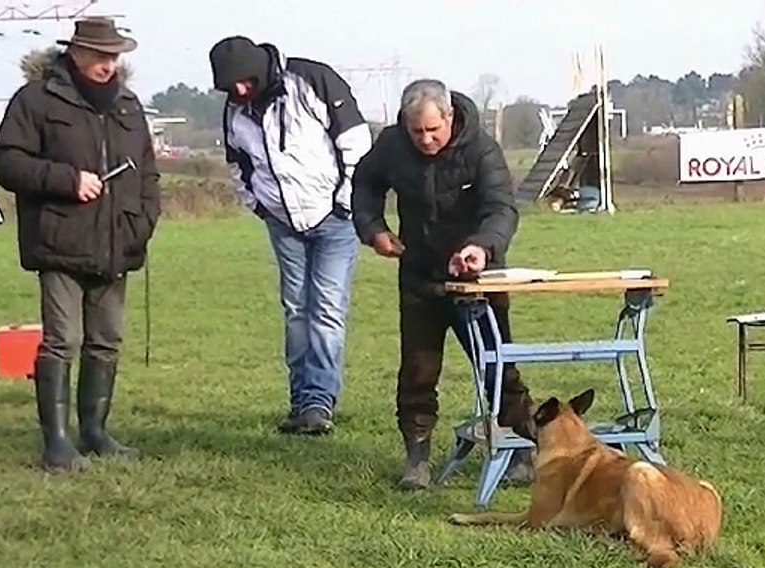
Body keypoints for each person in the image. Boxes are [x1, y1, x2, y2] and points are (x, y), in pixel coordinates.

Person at [0, 17, 160, 473]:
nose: (110, 65)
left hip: (116, 243)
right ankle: (57, 443)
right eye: (102, 56)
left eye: (115, 56)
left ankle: (95, 431)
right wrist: (67, 181)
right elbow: (5, 162)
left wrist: (143, 222)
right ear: (76, 53)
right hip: (60, 241)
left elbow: (147, 172)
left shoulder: (128, 104)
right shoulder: (36, 100)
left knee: (105, 342)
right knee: (63, 340)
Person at [351, 78, 534, 491]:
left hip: (477, 276)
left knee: (497, 365)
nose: (426, 139)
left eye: (433, 130)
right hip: (419, 274)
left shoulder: (482, 150)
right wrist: (373, 229)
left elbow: (501, 208)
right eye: (417, 131)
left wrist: (482, 247)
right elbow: (364, 185)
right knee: (417, 370)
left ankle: (522, 453)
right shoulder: (392, 146)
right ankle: (416, 461)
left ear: (450, 117)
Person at [209, 36, 372, 435]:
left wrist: (344, 203)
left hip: (335, 219)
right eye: (231, 87)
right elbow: (238, 164)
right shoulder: (235, 109)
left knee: (327, 311)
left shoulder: (313, 80)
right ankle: (302, 401)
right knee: (296, 311)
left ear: (259, 68)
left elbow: (355, 143)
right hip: (282, 223)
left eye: (244, 82)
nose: (240, 92)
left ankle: (319, 400)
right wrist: (260, 207)